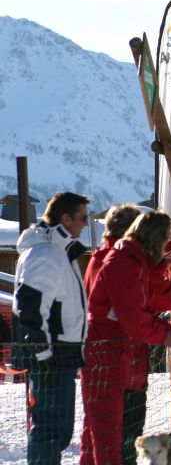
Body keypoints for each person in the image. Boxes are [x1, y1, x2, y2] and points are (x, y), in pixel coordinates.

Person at [80, 211, 171, 465]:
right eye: (166, 237)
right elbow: (134, 317)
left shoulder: (135, 261)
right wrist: (168, 336)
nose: (168, 243)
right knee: (108, 435)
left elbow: (149, 303)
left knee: (110, 433)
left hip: (122, 356)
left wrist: (170, 267)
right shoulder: (122, 263)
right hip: (108, 355)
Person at [12, 192, 90, 465]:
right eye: (82, 218)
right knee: (50, 429)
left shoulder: (58, 251)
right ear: (65, 218)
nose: (85, 224)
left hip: (59, 351)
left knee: (57, 429)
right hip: (52, 354)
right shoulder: (45, 254)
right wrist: (43, 353)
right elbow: (29, 307)